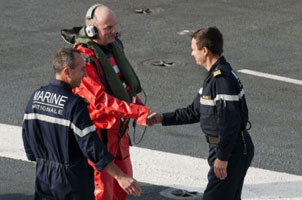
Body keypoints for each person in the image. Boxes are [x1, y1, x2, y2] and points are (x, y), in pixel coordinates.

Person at [147, 27, 254, 200]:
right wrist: (162, 118)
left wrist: (223, 157)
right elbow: (194, 112)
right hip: (227, 149)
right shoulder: (213, 77)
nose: (191, 54)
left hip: (231, 151)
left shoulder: (221, 79)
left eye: (193, 49)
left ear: (205, 51)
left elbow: (230, 121)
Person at [22, 48, 141, 200]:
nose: (84, 75)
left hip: (44, 177)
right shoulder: (74, 104)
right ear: (67, 71)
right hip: (72, 181)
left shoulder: (35, 97)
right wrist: (120, 176)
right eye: (81, 70)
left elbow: (27, 135)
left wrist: (42, 162)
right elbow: (92, 147)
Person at [60, 4, 150, 200]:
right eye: (108, 28)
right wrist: (137, 112)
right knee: (103, 191)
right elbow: (100, 101)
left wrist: (137, 103)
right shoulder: (84, 60)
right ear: (92, 29)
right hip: (100, 133)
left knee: (124, 186)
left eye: (114, 26)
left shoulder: (112, 48)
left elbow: (122, 86)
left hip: (119, 131)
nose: (114, 31)